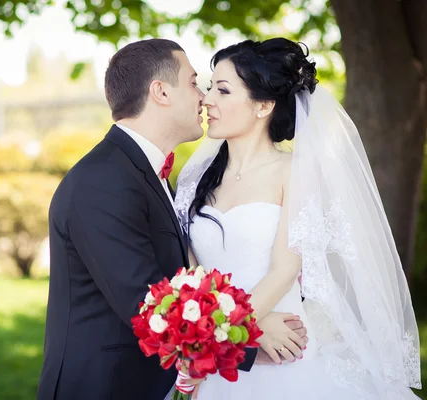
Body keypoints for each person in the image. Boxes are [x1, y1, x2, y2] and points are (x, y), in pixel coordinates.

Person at [37, 38, 307, 400]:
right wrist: (252, 339)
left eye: (216, 88)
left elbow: (181, 280)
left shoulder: (152, 173)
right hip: (106, 387)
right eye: (196, 82)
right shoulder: (103, 181)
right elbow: (147, 305)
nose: (204, 97)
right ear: (161, 92)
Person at [175, 37, 421, 399]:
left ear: (263, 106)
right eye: (210, 87)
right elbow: (191, 268)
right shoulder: (197, 177)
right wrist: (213, 341)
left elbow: (284, 270)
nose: (207, 100)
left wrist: (220, 334)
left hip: (282, 349)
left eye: (223, 91)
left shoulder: (295, 172)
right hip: (227, 353)